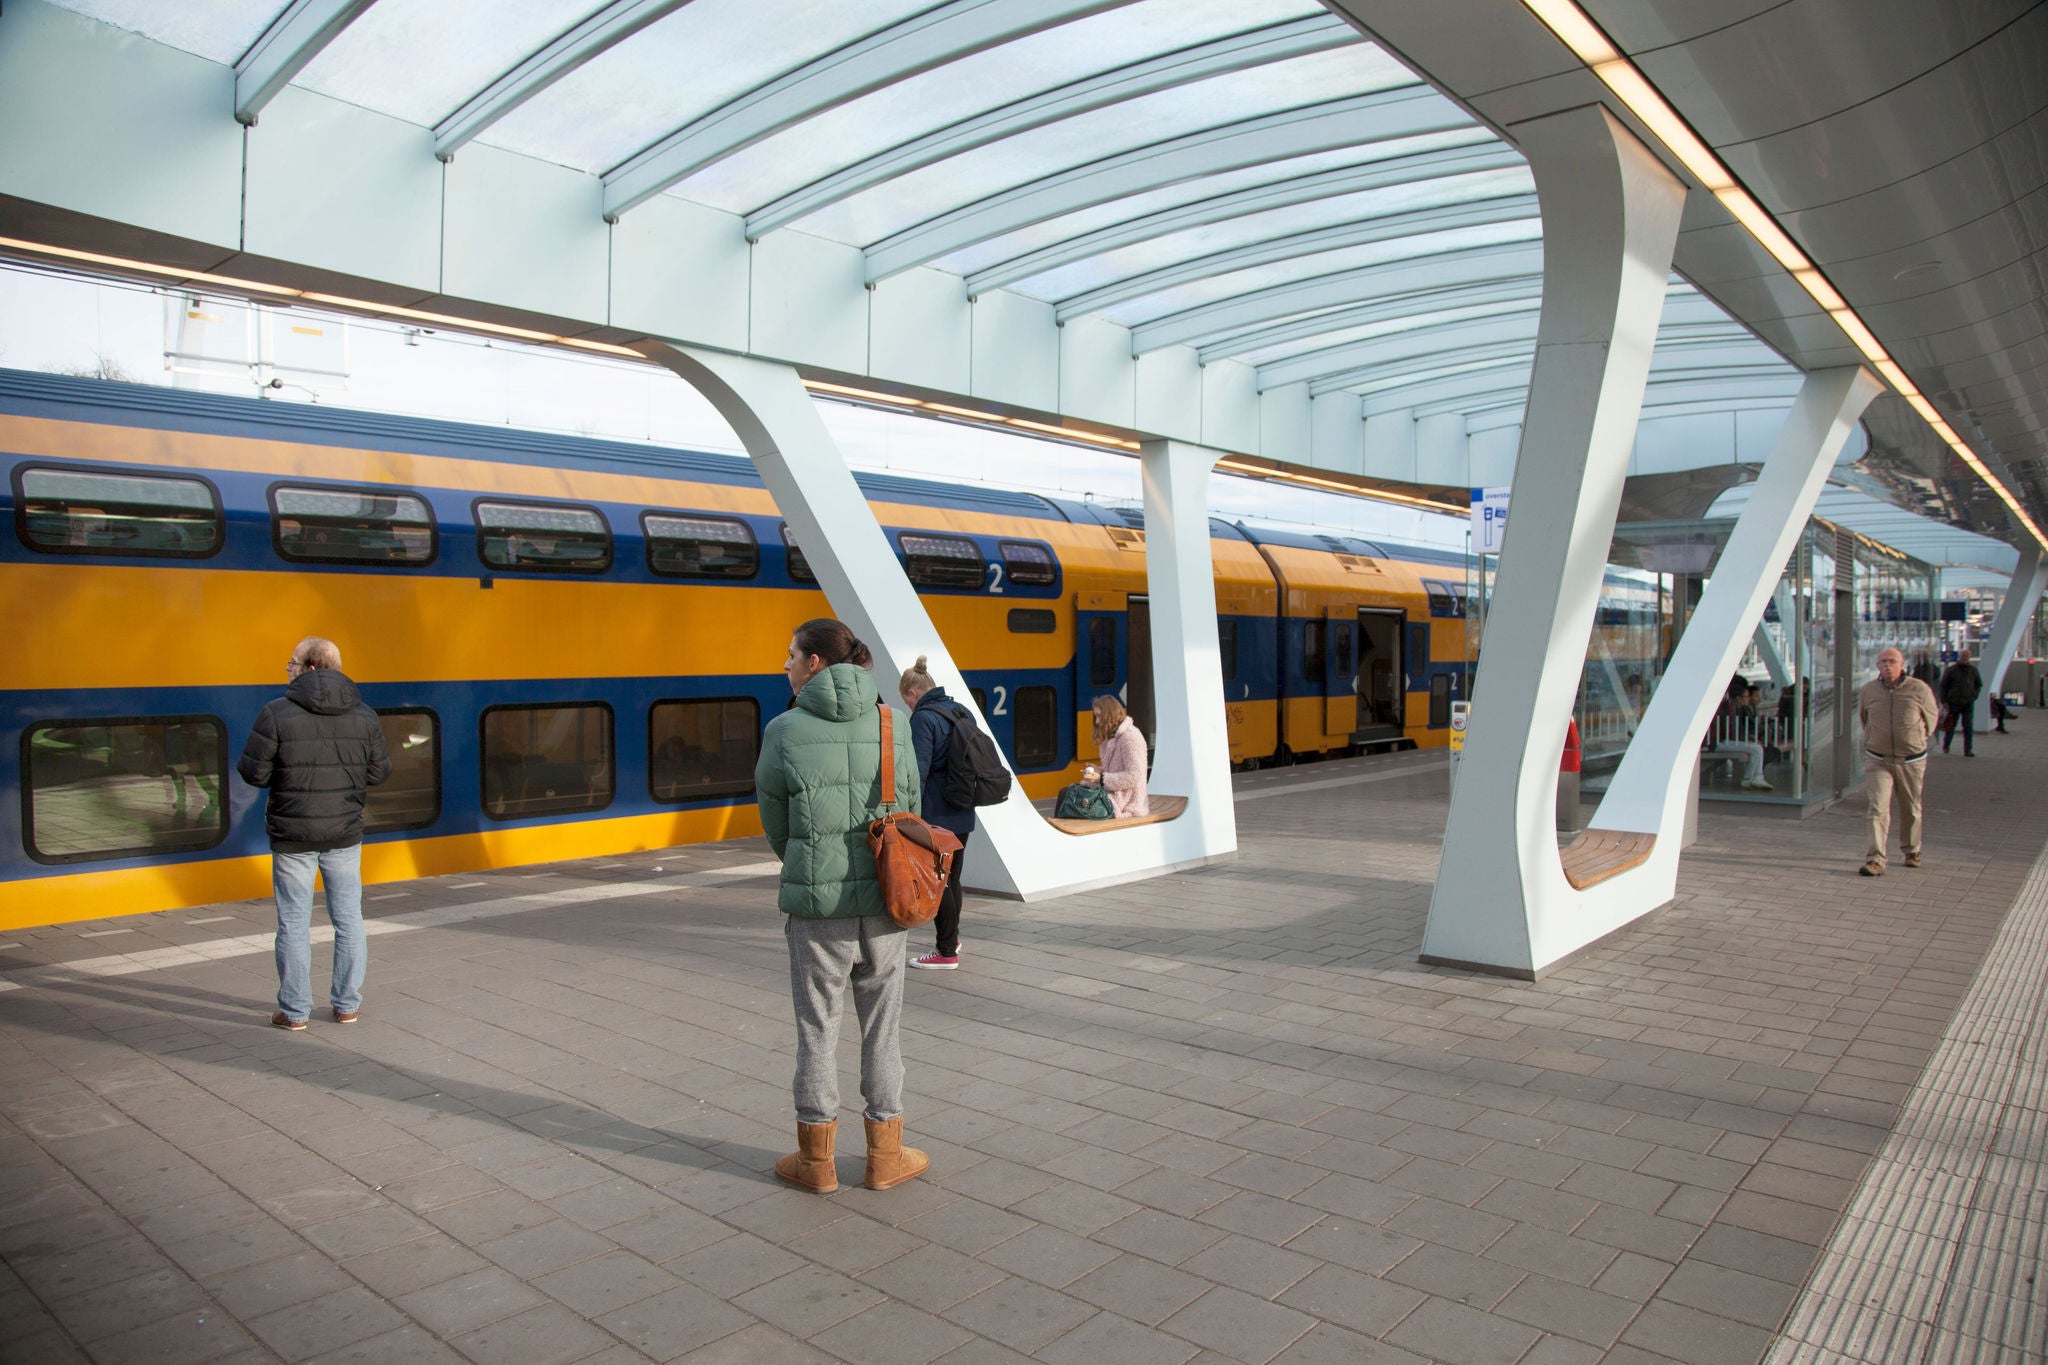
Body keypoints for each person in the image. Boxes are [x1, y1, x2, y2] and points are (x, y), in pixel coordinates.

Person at [755, 618, 929, 1195]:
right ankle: (885, 1155)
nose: (784, 664)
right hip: (886, 904)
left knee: (816, 1029)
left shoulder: (783, 729)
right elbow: (910, 809)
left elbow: (776, 823)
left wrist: (807, 863)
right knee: (883, 1030)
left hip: (817, 909)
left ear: (814, 665)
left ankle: (816, 1162)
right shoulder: (894, 723)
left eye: (790, 654)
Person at [237, 637, 390, 1030]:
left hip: (293, 836)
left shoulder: (275, 714)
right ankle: (346, 1006)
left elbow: (253, 773)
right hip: (343, 834)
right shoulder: (365, 715)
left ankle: (294, 1012)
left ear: (308, 668)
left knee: (292, 923)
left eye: (290, 662)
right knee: (349, 920)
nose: (286, 668)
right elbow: (379, 773)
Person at [899, 656, 976, 971]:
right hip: (963, 811)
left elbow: (917, 772)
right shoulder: (962, 711)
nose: (908, 707)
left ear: (913, 694)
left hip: (936, 816)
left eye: (907, 701)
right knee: (952, 878)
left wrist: (909, 814)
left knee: (937, 881)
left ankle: (946, 952)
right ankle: (952, 939)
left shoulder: (923, 718)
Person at [1858, 646, 1938, 876]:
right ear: (1877, 666)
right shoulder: (1869, 690)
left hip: (1911, 759)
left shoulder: (1919, 689)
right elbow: (1864, 718)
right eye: (1883, 661)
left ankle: (1912, 851)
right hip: (1878, 759)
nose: (1888, 665)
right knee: (1877, 807)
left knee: (1911, 807)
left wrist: (1916, 739)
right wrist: (1875, 738)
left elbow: (1931, 720)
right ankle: (1875, 858)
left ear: (1902, 665)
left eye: (1893, 661)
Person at [1089, 695, 1149, 817]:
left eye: (1099, 716)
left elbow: (1134, 776)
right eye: (1096, 716)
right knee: (1069, 794)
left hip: (1127, 802)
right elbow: (1115, 770)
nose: (1097, 721)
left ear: (1110, 714)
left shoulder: (1130, 737)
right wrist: (1098, 770)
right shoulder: (1112, 738)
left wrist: (1101, 778)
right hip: (1114, 795)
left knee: (1076, 803)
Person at [1938, 649, 1983, 756]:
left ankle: (1968, 749)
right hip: (1953, 702)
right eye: (1963, 656)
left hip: (1968, 702)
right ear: (1960, 656)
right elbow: (1943, 686)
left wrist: (1974, 696)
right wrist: (1944, 700)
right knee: (1950, 725)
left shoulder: (1973, 670)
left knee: (1968, 726)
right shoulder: (1951, 670)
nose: (1964, 658)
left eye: (1967, 656)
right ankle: (1946, 745)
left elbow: (1979, 684)